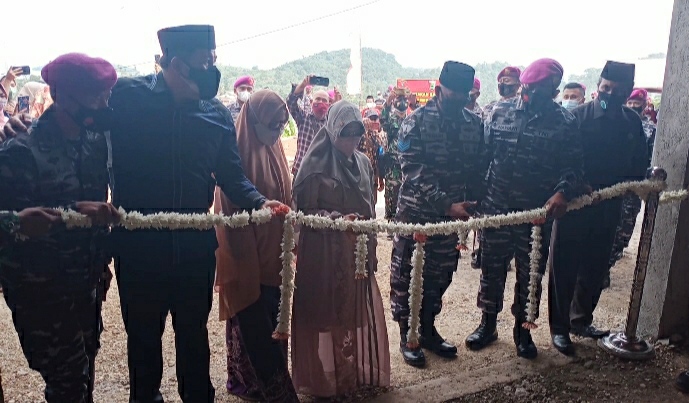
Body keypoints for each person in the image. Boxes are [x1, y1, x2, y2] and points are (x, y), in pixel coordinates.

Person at [0, 52, 121, 402]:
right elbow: (9, 226)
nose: (105, 103)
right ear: (66, 97)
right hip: (42, 292)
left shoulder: (94, 143)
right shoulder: (20, 151)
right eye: (98, 95)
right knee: (68, 383)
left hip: (86, 284)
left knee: (85, 377)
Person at [466, 58, 585, 360]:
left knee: (530, 276)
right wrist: (477, 197)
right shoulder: (497, 112)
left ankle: (523, 332)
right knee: (492, 271)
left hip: (535, 216)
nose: (529, 95)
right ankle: (487, 324)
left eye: (538, 90)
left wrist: (562, 192)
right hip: (496, 210)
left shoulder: (565, 122)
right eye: (527, 88)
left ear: (553, 90)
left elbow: (573, 168)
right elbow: (482, 158)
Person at [291, 100, 390, 397]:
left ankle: (350, 377)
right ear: (332, 131)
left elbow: (370, 207)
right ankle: (323, 379)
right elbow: (302, 214)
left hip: (354, 255)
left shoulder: (361, 162)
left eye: (356, 135)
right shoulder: (314, 165)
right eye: (345, 134)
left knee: (350, 314)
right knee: (325, 314)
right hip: (323, 254)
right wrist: (335, 220)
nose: (351, 141)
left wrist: (368, 246)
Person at [548, 61, 648, 356]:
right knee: (564, 267)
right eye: (606, 88)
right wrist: (576, 186)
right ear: (597, 88)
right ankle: (559, 329)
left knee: (594, 266)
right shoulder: (577, 118)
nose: (610, 94)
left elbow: (638, 163)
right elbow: (561, 160)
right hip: (576, 205)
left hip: (609, 206)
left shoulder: (631, 122)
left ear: (628, 92)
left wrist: (633, 186)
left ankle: (581, 320)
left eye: (617, 91)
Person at [391, 61, 487, 367]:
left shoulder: (474, 124)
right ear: (438, 90)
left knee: (440, 275)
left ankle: (428, 330)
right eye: (453, 94)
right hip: (417, 215)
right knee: (408, 276)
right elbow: (413, 169)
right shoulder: (415, 122)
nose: (460, 100)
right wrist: (446, 204)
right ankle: (409, 336)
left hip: (451, 219)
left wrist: (472, 203)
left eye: (465, 95)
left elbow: (477, 169)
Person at [214, 90, 299, 402]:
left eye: (281, 125)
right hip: (248, 256)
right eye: (272, 125)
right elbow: (230, 212)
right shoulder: (235, 155)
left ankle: (272, 383)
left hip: (275, 256)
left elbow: (286, 195)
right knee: (252, 322)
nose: (276, 132)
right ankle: (254, 385)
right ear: (255, 121)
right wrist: (245, 261)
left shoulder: (274, 148)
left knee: (274, 322)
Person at [605, 88, 657, 286]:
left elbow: (650, 158)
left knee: (623, 233)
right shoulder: (612, 126)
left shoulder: (651, 130)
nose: (634, 106)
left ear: (645, 105)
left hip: (632, 189)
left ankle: (606, 266)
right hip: (608, 187)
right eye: (631, 102)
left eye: (638, 103)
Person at [287, 75, 331, 176]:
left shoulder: (330, 124)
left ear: (329, 105)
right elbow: (291, 104)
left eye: (324, 100)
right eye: (318, 99)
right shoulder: (303, 118)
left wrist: (338, 104)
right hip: (301, 172)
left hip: (322, 174)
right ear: (312, 102)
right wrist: (302, 85)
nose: (321, 102)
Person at [380, 86, 410, 221]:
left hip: (407, 164)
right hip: (393, 164)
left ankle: (402, 222)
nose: (402, 102)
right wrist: (387, 104)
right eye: (399, 98)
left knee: (406, 194)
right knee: (391, 193)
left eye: (404, 99)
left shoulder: (411, 119)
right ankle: (391, 222)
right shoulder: (391, 118)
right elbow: (382, 121)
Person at [359, 108, 385, 201]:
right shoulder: (360, 134)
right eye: (371, 118)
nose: (373, 121)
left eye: (375, 118)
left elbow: (380, 158)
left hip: (373, 176)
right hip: (360, 176)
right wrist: (363, 127)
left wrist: (381, 179)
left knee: (373, 203)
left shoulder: (378, 136)